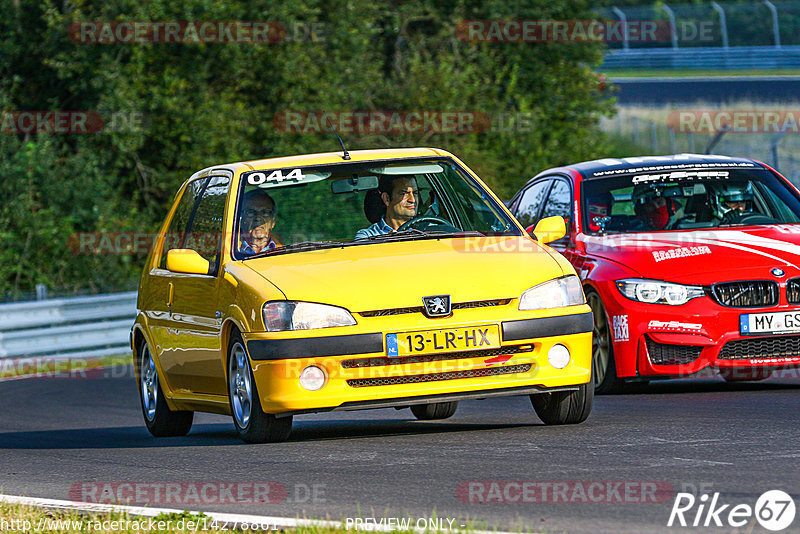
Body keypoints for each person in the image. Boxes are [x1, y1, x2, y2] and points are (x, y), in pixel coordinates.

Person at [239, 189, 279, 254]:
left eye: (265, 213)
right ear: (241, 220)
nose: (258, 218)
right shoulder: (229, 252)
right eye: (251, 212)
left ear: (273, 222)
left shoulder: (285, 253)